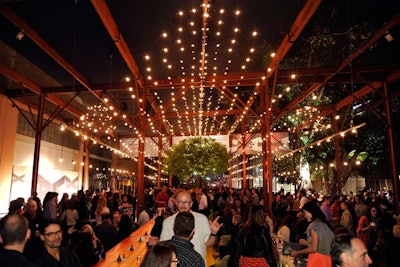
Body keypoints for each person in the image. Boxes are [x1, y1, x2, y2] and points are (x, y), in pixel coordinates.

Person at [158, 191, 223, 264]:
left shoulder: (202, 219)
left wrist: (214, 233)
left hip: (198, 264)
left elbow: (209, 243)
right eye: (180, 202)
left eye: (186, 202)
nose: (183, 205)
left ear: (191, 204)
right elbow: (163, 247)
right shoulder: (168, 222)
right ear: (176, 203)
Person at [290, 201, 334, 267]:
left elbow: (314, 249)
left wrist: (298, 252)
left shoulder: (314, 226)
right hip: (327, 258)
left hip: (318, 258)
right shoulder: (322, 223)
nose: (305, 216)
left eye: (305, 213)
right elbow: (320, 245)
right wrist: (306, 243)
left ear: (311, 212)